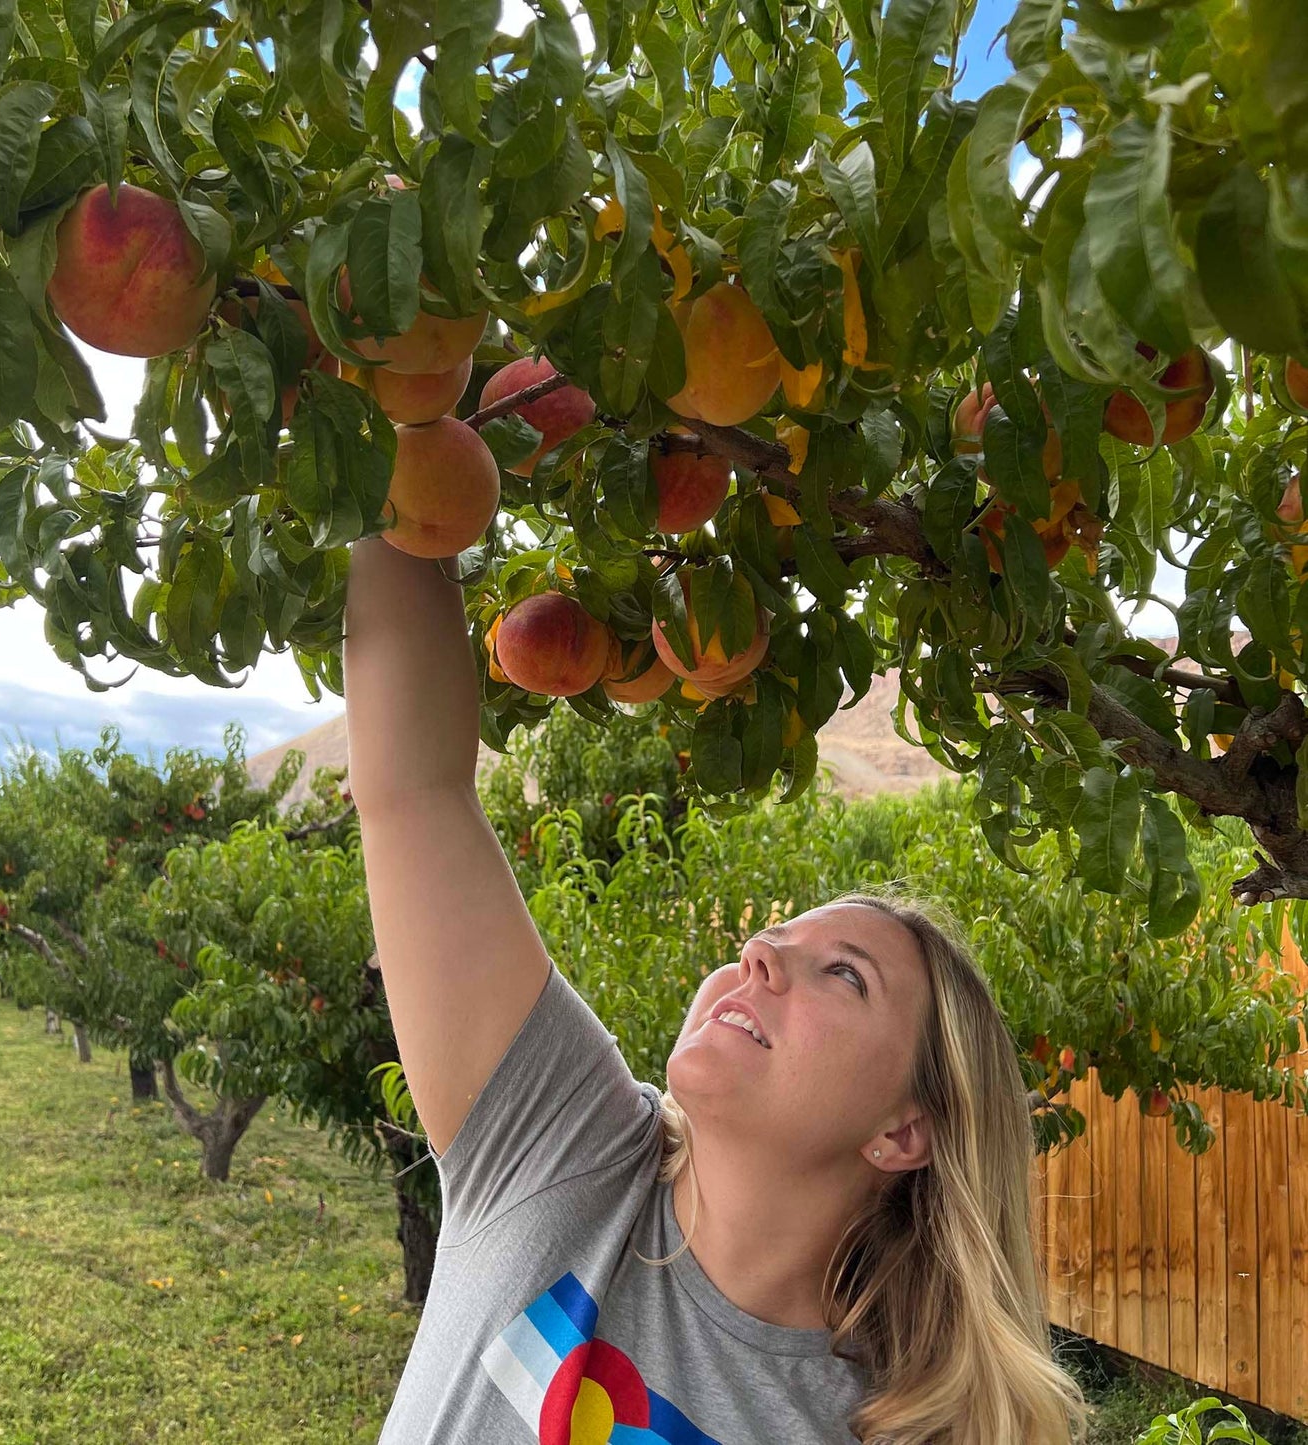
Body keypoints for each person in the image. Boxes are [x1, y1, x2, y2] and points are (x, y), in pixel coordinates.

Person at [344, 537, 1090, 1445]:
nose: (759, 956)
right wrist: (407, 438)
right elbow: (413, 791)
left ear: (903, 1131)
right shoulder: (563, 1151)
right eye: (772, 939)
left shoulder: (888, 1429)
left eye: (843, 974)